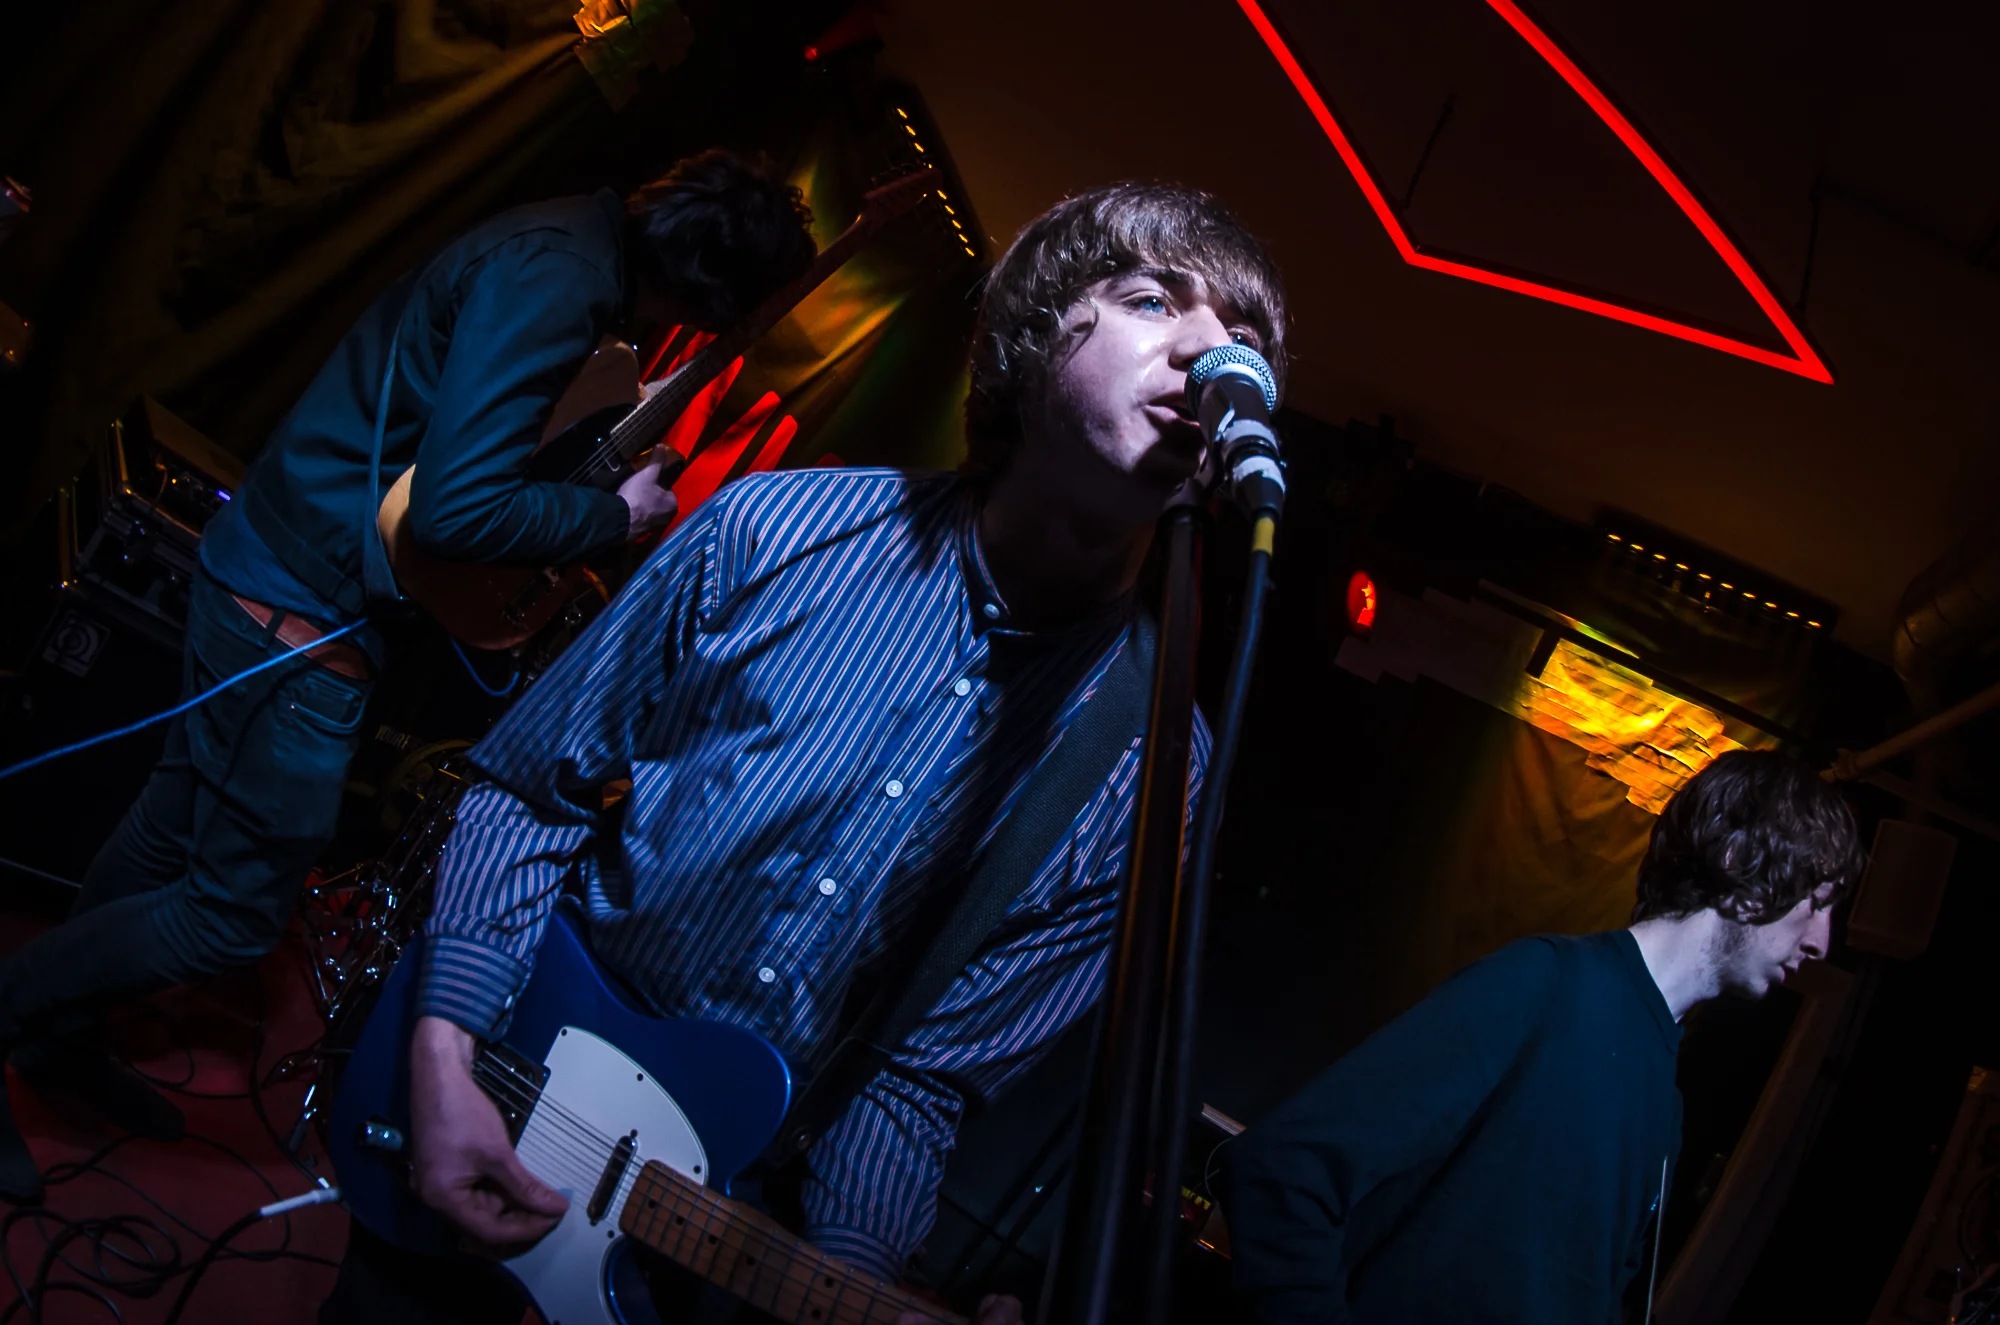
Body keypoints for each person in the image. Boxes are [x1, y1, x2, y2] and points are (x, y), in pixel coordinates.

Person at [319, 182, 1288, 1323]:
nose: (1212, 352)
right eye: (1152, 300)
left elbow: (923, 1077)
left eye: (1245, 336)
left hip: (702, 1225)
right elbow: (534, 791)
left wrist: (849, 1276)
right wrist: (444, 1051)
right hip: (508, 1061)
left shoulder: (1153, 765)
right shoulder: (776, 527)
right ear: (1034, 336)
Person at [0, 150, 819, 1202]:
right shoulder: (561, 280)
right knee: (234, 909)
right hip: (296, 618)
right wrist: (612, 517)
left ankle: (58, 1032)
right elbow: (456, 511)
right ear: (703, 284)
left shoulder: (566, 236)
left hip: (265, 566)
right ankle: (18, 1008)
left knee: (170, 826)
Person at [1224, 749, 1867, 1324]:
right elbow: (1282, 1172)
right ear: (1741, 862)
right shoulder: (1546, 985)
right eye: (1817, 902)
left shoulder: (1664, 1105)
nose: (1822, 941)